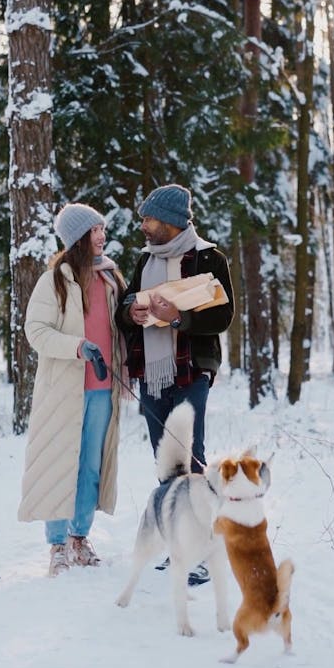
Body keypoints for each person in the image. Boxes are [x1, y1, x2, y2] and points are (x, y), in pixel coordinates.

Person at [18, 202, 127, 578]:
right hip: (65, 389)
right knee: (60, 462)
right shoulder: (55, 281)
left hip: (103, 387)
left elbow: (124, 324)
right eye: (96, 230)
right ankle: (57, 545)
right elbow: (36, 331)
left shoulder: (111, 278)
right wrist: (77, 347)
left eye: (102, 229)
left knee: (91, 466)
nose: (103, 235)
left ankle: (79, 537)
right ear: (79, 237)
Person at [116, 183, 234, 476]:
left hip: (192, 370)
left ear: (169, 221)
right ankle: (172, 519)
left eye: (148, 220)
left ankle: (198, 520)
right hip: (151, 375)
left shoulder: (210, 259)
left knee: (191, 456)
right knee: (164, 458)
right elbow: (123, 309)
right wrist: (131, 312)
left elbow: (223, 316)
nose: (142, 226)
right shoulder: (145, 261)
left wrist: (179, 318)